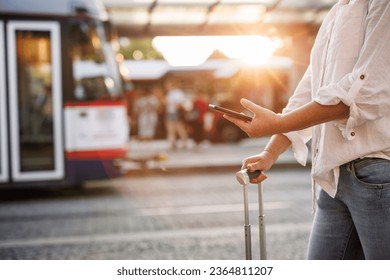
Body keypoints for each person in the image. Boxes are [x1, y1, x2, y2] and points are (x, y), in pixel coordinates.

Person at [224, 0, 390, 260]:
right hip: (333, 177)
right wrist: (270, 152)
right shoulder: (336, 13)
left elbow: (364, 91)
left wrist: (278, 124)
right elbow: (310, 90)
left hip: (378, 173)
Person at [164, 78, 189, 150]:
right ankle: (172, 143)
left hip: (176, 112)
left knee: (179, 128)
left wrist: (173, 104)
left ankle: (184, 142)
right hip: (170, 112)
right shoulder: (169, 93)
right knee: (170, 129)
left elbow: (180, 103)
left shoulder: (178, 93)